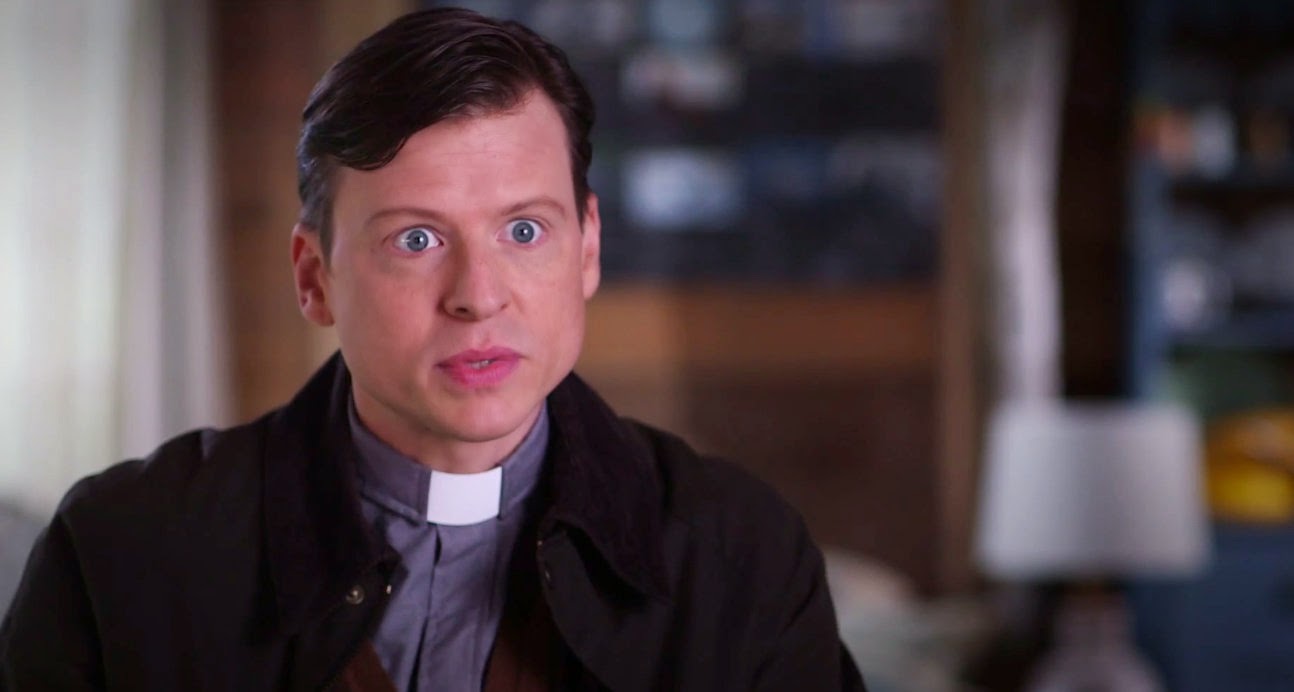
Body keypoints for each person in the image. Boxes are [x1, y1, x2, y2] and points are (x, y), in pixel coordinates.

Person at [0, 7, 866, 691]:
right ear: (315, 277)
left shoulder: (741, 558)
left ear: (588, 248)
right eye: (415, 240)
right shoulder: (121, 555)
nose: (477, 294)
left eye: (524, 230)